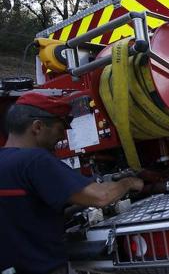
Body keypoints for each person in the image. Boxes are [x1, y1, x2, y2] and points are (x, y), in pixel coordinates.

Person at [0, 92, 144, 274]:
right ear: (37, 127)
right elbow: (101, 196)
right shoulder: (36, 160)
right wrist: (129, 183)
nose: (62, 138)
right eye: (61, 129)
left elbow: (27, 210)